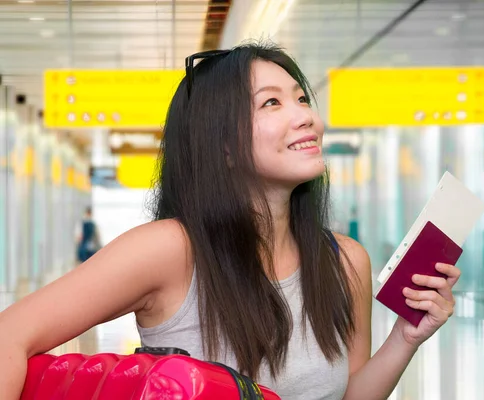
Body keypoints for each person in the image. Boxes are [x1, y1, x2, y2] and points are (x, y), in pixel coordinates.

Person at [0, 42, 460, 400]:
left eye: (301, 98)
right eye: (271, 104)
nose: (305, 117)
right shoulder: (171, 251)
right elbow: (10, 336)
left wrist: (405, 338)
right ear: (220, 144)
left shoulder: (344, 261)